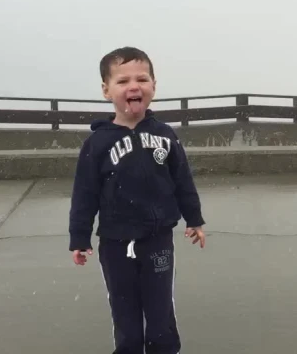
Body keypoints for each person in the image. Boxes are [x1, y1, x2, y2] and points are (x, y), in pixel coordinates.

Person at [68, 47, 207, 354]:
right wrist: (79, 237)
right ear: (107, 91)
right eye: (122, 81)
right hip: (115, 244)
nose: (133, 86)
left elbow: (182, 181)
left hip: (158, 240)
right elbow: (85, 194)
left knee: (160, 315)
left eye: (142, 78)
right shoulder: (98, 143)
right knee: (126, 316)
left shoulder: (165, 135)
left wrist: (194, 219)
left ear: (153, 87)